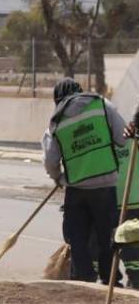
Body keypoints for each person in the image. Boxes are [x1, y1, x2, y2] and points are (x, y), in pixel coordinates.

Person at [42, 77, 127, 284]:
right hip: (106, 184)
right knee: (107, 235)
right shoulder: (102, 105)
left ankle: (83, 277)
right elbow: (122, 137)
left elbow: (50, 160)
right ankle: (110, 278)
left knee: (76, 236)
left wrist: (59, 178)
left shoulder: (56, 119)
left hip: (76, 187)